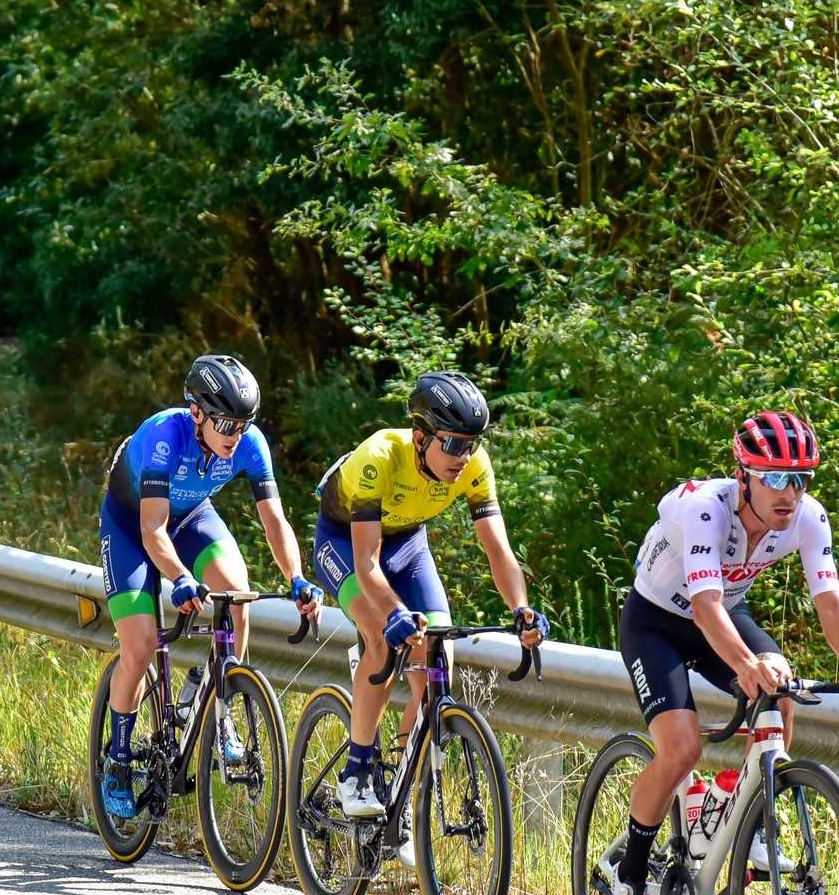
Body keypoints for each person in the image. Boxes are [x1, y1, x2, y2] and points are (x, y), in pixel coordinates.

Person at [606, 409, 839, 895]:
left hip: (721, 615)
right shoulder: (704, 510)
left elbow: (829, 599)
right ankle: (629, 879)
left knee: (780, 693)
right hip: (658, 622)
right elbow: (705, 603)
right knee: (681, 748)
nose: (791, 493)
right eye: (777, 479)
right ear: (744, 476)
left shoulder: (809, 518)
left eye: (802, 479)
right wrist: (745, 666)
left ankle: (749, 819)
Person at [311, 371, 546, 845]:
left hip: (409, 546)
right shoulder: (380, 456)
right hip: (347, 543)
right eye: (453, 444)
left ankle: (398, 780)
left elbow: (499, 552)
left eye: (472, 444)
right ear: (420, 436)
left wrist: (521, 608)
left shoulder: (474, 465)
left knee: (438, 659)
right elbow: (366, 561)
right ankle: (356, 770)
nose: (464, 456)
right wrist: (395, 612)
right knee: (380, 636)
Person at [99, 354, 322, 818]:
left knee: (238, 593)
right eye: (224, 423)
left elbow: (275, 520)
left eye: (242, 425)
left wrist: (297, 578)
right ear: (197, 413)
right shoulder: (164, 436)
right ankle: (118, 759)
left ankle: (219, 698)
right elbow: (152, 531)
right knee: (138, 649)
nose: (234, 435)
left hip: (192, 517)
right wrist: (180, 578)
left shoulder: (248, 443)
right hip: (133, 524)